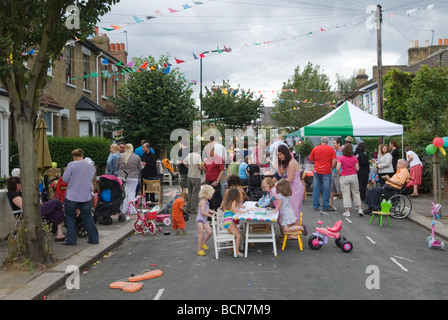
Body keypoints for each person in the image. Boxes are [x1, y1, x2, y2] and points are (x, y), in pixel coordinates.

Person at [6, 176, 66, 241]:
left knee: (58, 213)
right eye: (21, 183)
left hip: (35, 209)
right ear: (17, 184)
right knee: (56, 201)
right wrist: (36, 203)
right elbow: (24, 206)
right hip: (31, 212)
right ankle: (67, 212)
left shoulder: (19, 193)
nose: (22, 185)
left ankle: (60, 235)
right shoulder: (13, 195)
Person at [62, 149, 98, 245]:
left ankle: (71, 240)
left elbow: (65, 179)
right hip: (86, 195)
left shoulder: (71, 165)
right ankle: (94, 239)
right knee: (87, 217)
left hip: (72, 195)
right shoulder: (91, 167)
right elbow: (91, 178)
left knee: (70, 217)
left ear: (74, 156)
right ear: (82, 155)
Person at [276, 144, 305, 219]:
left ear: (285, 153)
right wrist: (278, 164)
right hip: (288, 187)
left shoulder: (292, 162)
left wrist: (278, 183)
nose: (279, 156)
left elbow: (290, 178)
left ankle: (295, 227)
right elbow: (280, 174)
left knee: (293, 209)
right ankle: (289, 227)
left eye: (280, 154)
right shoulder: (285, 162)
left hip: (295, 188)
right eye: (278, 155)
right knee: (287, 208)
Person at [309, 137, 337, 211]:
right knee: (326, 189)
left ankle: (315, 206)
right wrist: (332, 168)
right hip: (327, 171)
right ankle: (325, 206)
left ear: (321, 142)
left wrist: (316, 162)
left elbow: (311, 159)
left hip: (317, 170)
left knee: (316, 189)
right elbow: (334, 160)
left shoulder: (315, 148)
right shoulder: (331, 149)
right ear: (328, 142)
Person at [336, 143, 363, 217]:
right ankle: (360, 209)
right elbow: (357, 169)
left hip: (344, 176)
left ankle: (347, 211)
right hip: (353, 176)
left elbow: (337, 168)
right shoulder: (354, 158)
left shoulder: (341, 158)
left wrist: (339, 174)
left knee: (346, 194)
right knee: (356, 193)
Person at [116, 143, 142, 214]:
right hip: (133, 177)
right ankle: (132, 210)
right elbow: (140, 168)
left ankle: (124, 209)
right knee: (131, 193)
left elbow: (116, 167)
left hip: (123, 177)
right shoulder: (136, 157)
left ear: (125, 149)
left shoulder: (121, 156)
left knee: (125, 194)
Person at [221, 187, 246, 258]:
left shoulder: (228, 201)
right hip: (230, 221)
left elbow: (235, 206)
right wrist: (242, 211)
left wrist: (241, 206)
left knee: (233, 235)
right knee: (238, 235)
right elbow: (234, 208)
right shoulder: (234, 201)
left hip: (226, 222)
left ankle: (231, 250)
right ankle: (237, 251)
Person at [196, 185, 217, 256]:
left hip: (204, 219)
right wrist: (211, 216)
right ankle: (199, 250)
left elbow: (207, 209)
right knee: (201, 234)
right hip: (200, 220)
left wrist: (215, 213)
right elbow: (203, 212)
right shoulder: (203, 202)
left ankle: (203, 243)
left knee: (210, 232)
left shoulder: (206, 201)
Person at [204, 145, 225, 211]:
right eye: (206, 152)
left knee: (216, 200)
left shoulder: (218, 158)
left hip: (214, 181)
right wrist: (203, 168)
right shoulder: (207, 159)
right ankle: (210, 216)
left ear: (212, 150)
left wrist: (217, 181)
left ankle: (218, 215)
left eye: (208, 152)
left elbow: (222, 170)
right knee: (208, 200)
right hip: (208, 181)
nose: (207, 154)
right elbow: (206, 171)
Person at [183, 150, 203, 215]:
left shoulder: (189, 155)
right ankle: (193, 209)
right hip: (196, 176)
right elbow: (200, 166)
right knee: (195, 193)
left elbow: (184, 162)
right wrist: (202, 167)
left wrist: (188, 167)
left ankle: (187, 208)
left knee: (190, 193)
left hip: (189, 176)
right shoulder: (198, 156)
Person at [329, 138, 343, 211]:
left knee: (341, 190)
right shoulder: (333, 151)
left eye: (334, 143)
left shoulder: (343, 152)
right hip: (333, 172)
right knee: (332, 189)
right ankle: (330, 204)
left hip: (340, 172)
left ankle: (347, 205)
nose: (333, 144)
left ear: (339, 144)